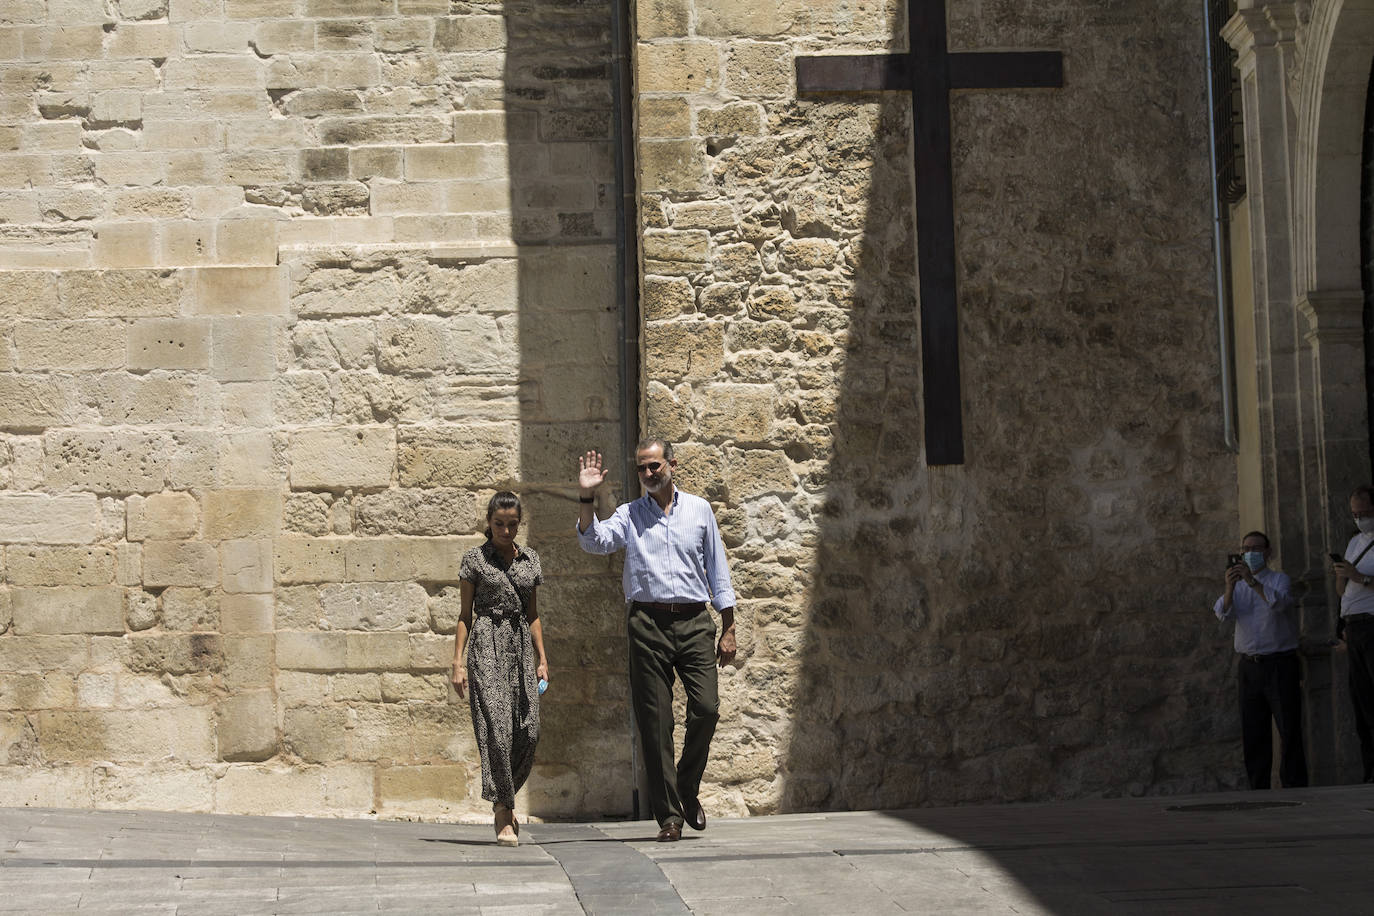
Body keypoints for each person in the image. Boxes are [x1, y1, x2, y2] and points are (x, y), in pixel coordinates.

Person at [576, 439, 737, 842]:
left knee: (706, 708)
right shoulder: (630, 515)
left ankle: (686, 787)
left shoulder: (699, 510)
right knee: (656, 723)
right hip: (647, 624)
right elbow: (594, 542)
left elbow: (718, 570)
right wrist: (586, 497)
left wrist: (729, 625)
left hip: (695, 620)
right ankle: (669, 817)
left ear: (671, 465)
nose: (648, 474)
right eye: (642, 468)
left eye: (654, 466)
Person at [451, 491, 548, 846]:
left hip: (520, 645)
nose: (505, 531)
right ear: (488, 523)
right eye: (498, 524)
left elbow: (533, 614)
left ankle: (504, 794)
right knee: (497, 731)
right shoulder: (474, 561)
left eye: (511, 524)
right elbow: (464, 615)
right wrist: (457, 662)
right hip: (486, 643)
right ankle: (503, 810)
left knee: (529, 729)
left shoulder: (530, 561)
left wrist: (542, 659)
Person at [1213, 530, 1307, 789]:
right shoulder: (1238, 586)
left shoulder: (1279, 580)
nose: (1250, 554)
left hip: (1279, 663)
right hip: (1250, 667)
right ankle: (1258, 788)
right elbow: (1222, 613)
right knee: (1254, 731)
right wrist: (1230, 586)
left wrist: (1253, 583)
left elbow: (1279, 604)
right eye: (1245, 549)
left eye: (1256, 549)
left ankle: (1295, 787)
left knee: (1288, 729)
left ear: (1268, 552)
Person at [1333, 484, 1374, 782]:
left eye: (1365, 513)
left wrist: (1358, 576)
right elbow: (1343, 590)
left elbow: (1360, 581)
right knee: (1362, 704)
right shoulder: (1354, 543)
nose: (1359, 518)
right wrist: (1343, 576)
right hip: (1355, 627)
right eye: (1355, 514)